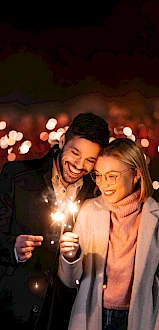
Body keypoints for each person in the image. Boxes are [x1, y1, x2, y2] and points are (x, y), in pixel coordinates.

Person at [0, 112, 110, 330]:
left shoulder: (97, 194)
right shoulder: (18, 176)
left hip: (63, 313)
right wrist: (13, 247)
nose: (79, 165)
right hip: (13, 310)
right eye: (75, 153)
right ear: (62, 142)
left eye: (90, 160)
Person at [59, 137, 159, 330]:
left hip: (139, 317)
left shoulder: (154, 218)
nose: (103, 184)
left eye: (112, 176)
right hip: (93, 315)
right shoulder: (89, 211)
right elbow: (71, 281)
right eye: (98, 175)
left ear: (136, 174)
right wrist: (71, 257)